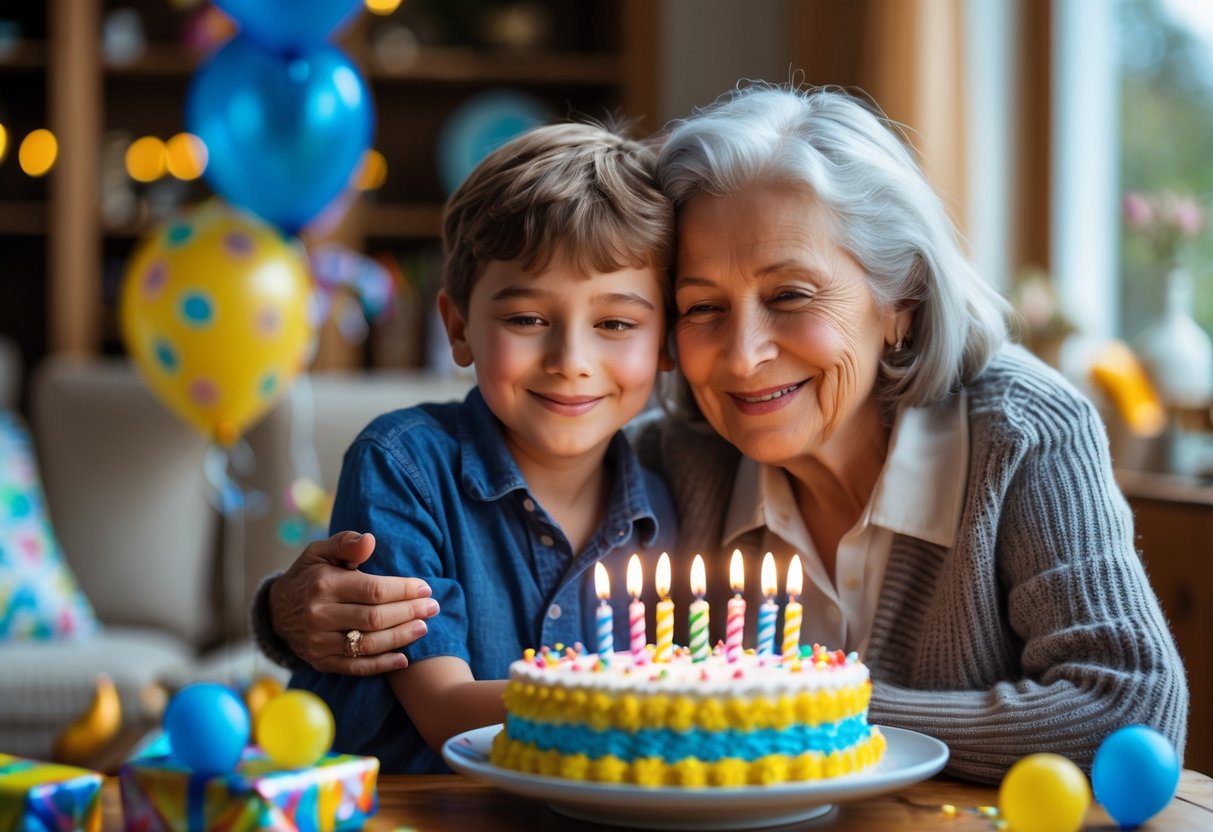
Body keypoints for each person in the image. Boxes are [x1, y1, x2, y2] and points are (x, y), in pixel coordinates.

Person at [254, 84, 1188, 783]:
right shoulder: (676, 455)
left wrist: (796, 707)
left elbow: (1128, 711)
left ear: (898, 300)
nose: (741, 358)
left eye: (790, 296)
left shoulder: (1021, 430)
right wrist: (290, 614)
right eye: (702, 307)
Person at [266, 120, 678, 773]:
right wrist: (668, 705)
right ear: (458, 328)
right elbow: (448, 711)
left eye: (615, 323)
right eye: (526, 319)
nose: (571, 359)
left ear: (664, 344)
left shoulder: (665, 500)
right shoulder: (402, 465)